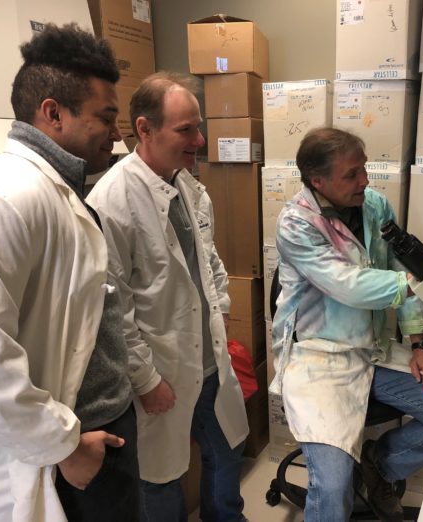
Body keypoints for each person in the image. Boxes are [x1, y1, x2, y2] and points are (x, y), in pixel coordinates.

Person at [0, 24, 140, 522]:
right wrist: (65, 446)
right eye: (107, 118)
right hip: (70, 451)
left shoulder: (60, 191)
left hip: (100, 431)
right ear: (53, 113)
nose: (117, 135)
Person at [269, 127, 423, 521]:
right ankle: (353, 478)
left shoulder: (375, 206)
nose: (365, 180)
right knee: (334, 487)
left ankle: (379, 464)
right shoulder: (296, 224)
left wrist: (419, 344)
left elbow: (399, 266)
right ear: (318, 181)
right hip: (319, 356)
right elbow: (349, 285)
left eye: (364, 169)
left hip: (373, 348)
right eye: (352, 175)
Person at [86, 72, 249, 522]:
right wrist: (145, 378)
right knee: (161, 477)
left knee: (227, 450)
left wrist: (222, 313)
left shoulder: (189, 187)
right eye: (185, 130)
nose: (199, 139)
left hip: (209, 361)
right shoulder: (112, 200)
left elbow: (210, 262)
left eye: (198, 127)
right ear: (144, 129)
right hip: (162, 372)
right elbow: (111, 308)